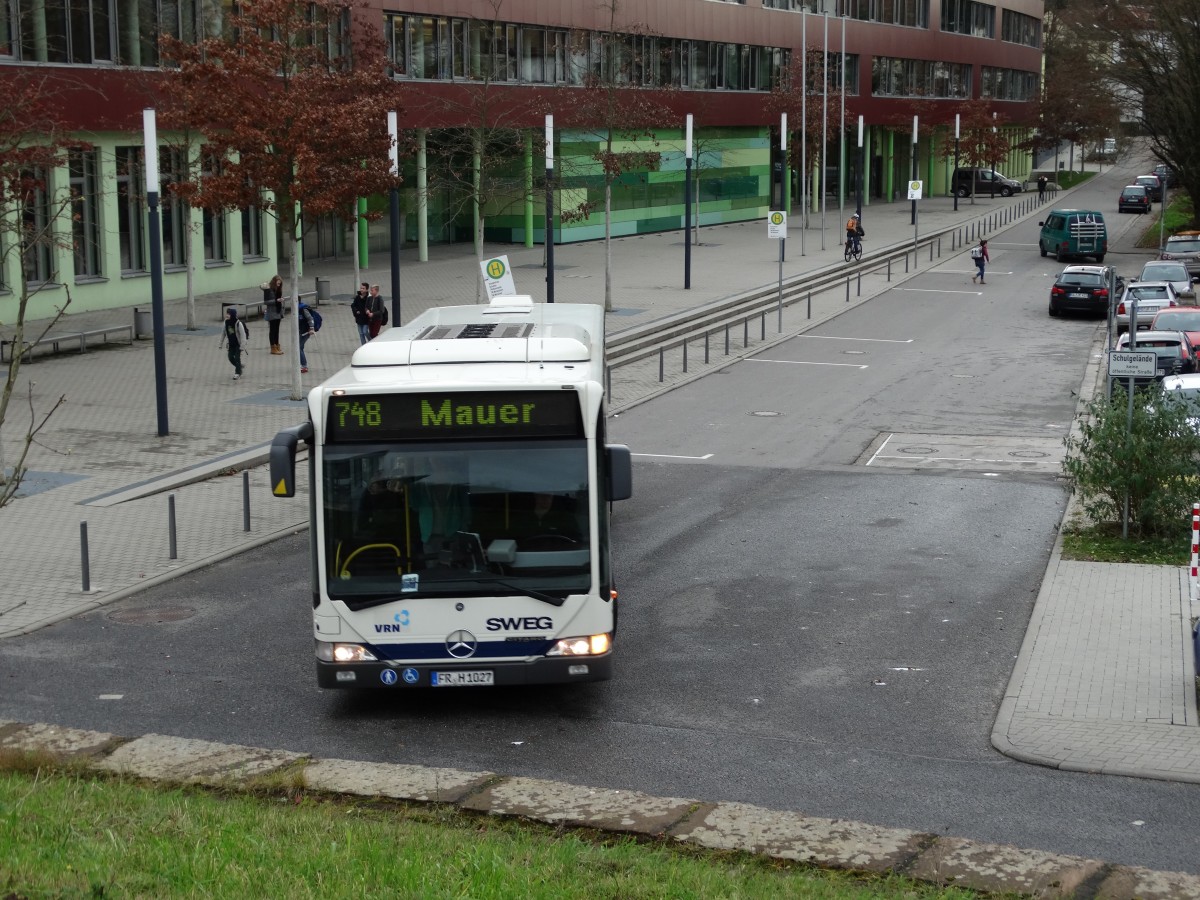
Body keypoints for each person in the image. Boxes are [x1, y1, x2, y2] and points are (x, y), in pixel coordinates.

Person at [219, 307, 249, 380]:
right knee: (230, 357)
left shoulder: (238, 323)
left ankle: (237, 373)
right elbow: (223, 333)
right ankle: (239, 367)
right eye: (227, 313)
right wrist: (220, 343)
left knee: (237, 358)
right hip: (231, 344)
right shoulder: (226, 322)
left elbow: (243, 335)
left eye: (229, 314)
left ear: (232, 314)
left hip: (238, 344)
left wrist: (242, 346)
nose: (227, 315)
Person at [262, 275, 284, 355]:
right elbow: (266, 302)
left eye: (280, 284)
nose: (279, 285)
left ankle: (277, 346)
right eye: (278, 283)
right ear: (274, 282)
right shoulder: (268, 290)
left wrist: (280, 300)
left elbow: (278, 300)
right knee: (272, 330)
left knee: (277, 330)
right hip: (271, 312)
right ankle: (273, 348)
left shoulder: (278, 290)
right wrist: (276, 300)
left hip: (278, 312)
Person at [297, 301, 316, 373]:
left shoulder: (303, 309)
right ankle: (302, 364)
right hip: (300, 331)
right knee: (300, 347)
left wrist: (311, 328)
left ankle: (304, 366)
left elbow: (310, 318)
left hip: (305, 331)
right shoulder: (297, 309)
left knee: (298, 348)